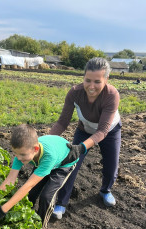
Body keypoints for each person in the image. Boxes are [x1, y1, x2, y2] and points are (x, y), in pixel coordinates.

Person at [50, 57, 121, 220]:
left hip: (110, 131)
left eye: (97, 81)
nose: (91, 86)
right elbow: (62, 122)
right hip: (85, 130)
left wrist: (81, 147)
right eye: (87, 80)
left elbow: (102, 131)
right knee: (71, 164)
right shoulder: (75, 93)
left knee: (111, 166)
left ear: (106, 79)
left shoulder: (111, 95)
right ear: (83, 78)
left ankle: (105, 190)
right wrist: (46, 140)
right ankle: (61, 202)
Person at [0, 124, 79, 229]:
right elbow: (10, 180)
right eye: (15, 154)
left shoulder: (48, 156)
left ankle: (41, 227)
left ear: (35, 149)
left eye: (22, 155)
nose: (18, 158)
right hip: (43, 160)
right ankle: (25, 217)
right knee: (31, 194)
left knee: (46, 197)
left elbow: (29, 185)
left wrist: (2, 210)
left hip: (64, 163)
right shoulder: (21, 153)